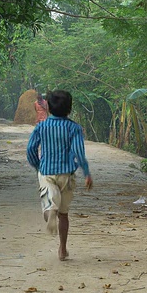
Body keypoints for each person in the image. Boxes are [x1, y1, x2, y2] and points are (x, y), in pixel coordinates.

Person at [26, 90, 93, 261]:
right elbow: (78, 151)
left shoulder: (41, 127)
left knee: (49, 204)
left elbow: (31, 149)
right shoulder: (74, 128)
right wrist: (86, 172)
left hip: (47, 172)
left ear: (47, 106)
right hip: (67, 174)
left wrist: (37, 165)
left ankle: (50, 213)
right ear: (69, 109)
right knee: (64, 214)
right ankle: (62, 249)